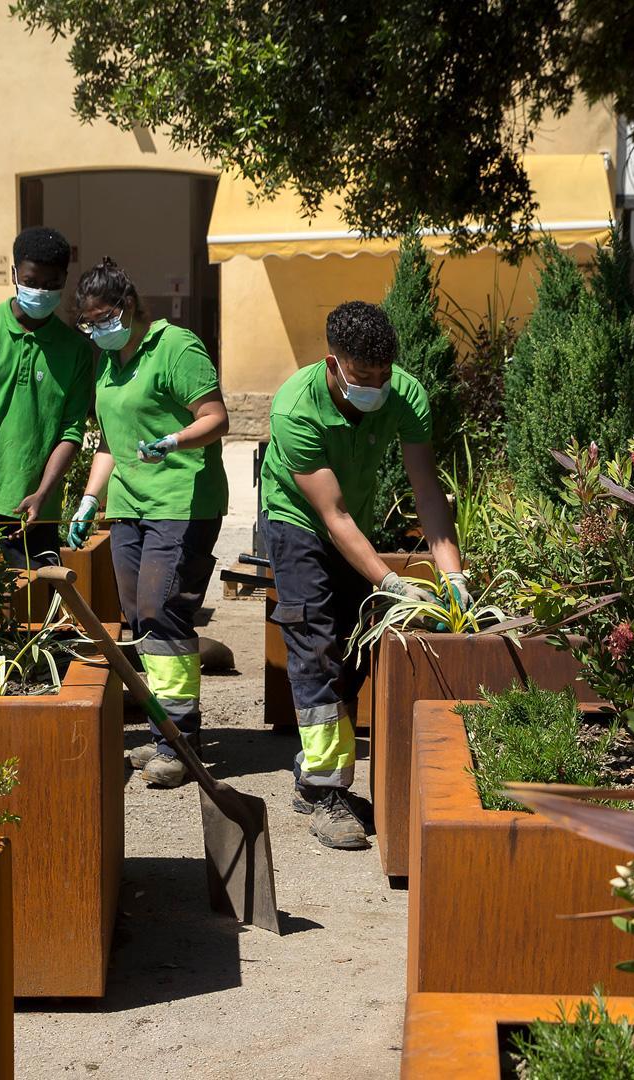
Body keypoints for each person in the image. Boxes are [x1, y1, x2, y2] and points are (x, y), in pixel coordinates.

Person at [259, 301, 467, 850]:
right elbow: (331, 517)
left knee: (353, 648)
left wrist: (454, 578)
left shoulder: (405, 394)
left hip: (356, 519)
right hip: (297, 520)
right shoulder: (294, 408)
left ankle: (313, 771)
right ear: (333, 363)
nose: (376, 385)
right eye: (363, 375)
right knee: (315, 642)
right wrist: (391, 582)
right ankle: (327, 793)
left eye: (383, 374)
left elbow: (427, 490)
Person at [66, 258, 230, 788]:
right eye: (88, 322)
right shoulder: (109, 364)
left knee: (164, 612)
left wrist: (174, 441)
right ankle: (168, 730)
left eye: (103, 318)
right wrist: (89, 501)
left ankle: (179, 744)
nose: (97, 330)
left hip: (182, 502)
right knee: (140, 617)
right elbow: (109, 443)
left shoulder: (175, 347)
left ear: (128, 306)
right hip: (129, 506)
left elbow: (216, 417)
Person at [0, 227, 95, 568]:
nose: (40, 291)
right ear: (14, 274)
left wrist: (42, 494)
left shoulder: (75, 351)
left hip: (34, 512)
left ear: (64, 280)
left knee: (35, 600)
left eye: (51, 284)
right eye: (31, 281)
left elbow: (71, 432)